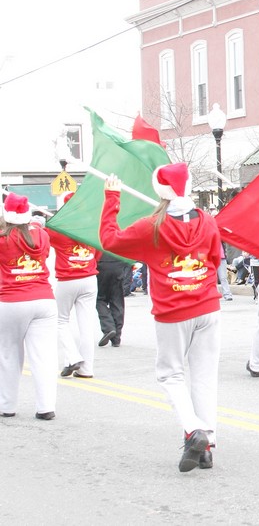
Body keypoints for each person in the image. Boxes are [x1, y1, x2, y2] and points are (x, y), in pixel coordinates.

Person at [99, 163, 222, 473]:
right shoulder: (208, 222)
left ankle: (193, 430)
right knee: (204, 376)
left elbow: (110, 241)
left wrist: (112, 197)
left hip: (173, 310)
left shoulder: (150, 225)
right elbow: (216, 258)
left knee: (171, 375)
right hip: (207, 305)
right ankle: (206, 445)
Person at [0, 193, 58, 420]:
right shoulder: (42, 236)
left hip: (11, 300)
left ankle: (7, 406)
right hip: (44, 299)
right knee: (43, 356)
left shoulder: (3, 241)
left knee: (9, 354)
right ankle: (46, 407)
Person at [47, 198, 101, 379]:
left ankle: (72, 357)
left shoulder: (60, 229)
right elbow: (99, 251)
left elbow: (43, 237)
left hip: (67, 279)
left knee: (60, 320)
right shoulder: (92, 226)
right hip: (89, 277)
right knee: (86, 326)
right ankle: (87, 368)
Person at [95, 253, 130, 347]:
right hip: (118, 260)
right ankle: (116, 338)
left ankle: (108, 327)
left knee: (99, 299)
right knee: (117, 300)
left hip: (101, 261)